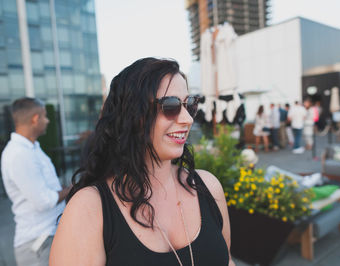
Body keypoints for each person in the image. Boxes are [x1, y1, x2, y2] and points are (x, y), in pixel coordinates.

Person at [49, 58, 235, 266]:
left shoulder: (208, 187)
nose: (188, 119)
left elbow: (226, 261)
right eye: (171, 105)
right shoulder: (90, 208)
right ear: (132, 116)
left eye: (190, 104)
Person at [1, 97, 72, 266]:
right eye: (45, 116)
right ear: (35, 119)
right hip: (38, 244)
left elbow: (48, 189)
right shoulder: (19, 154)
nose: (47, 121)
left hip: (46, 237)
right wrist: (71, 189)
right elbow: (44, 201)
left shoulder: (32, 148)